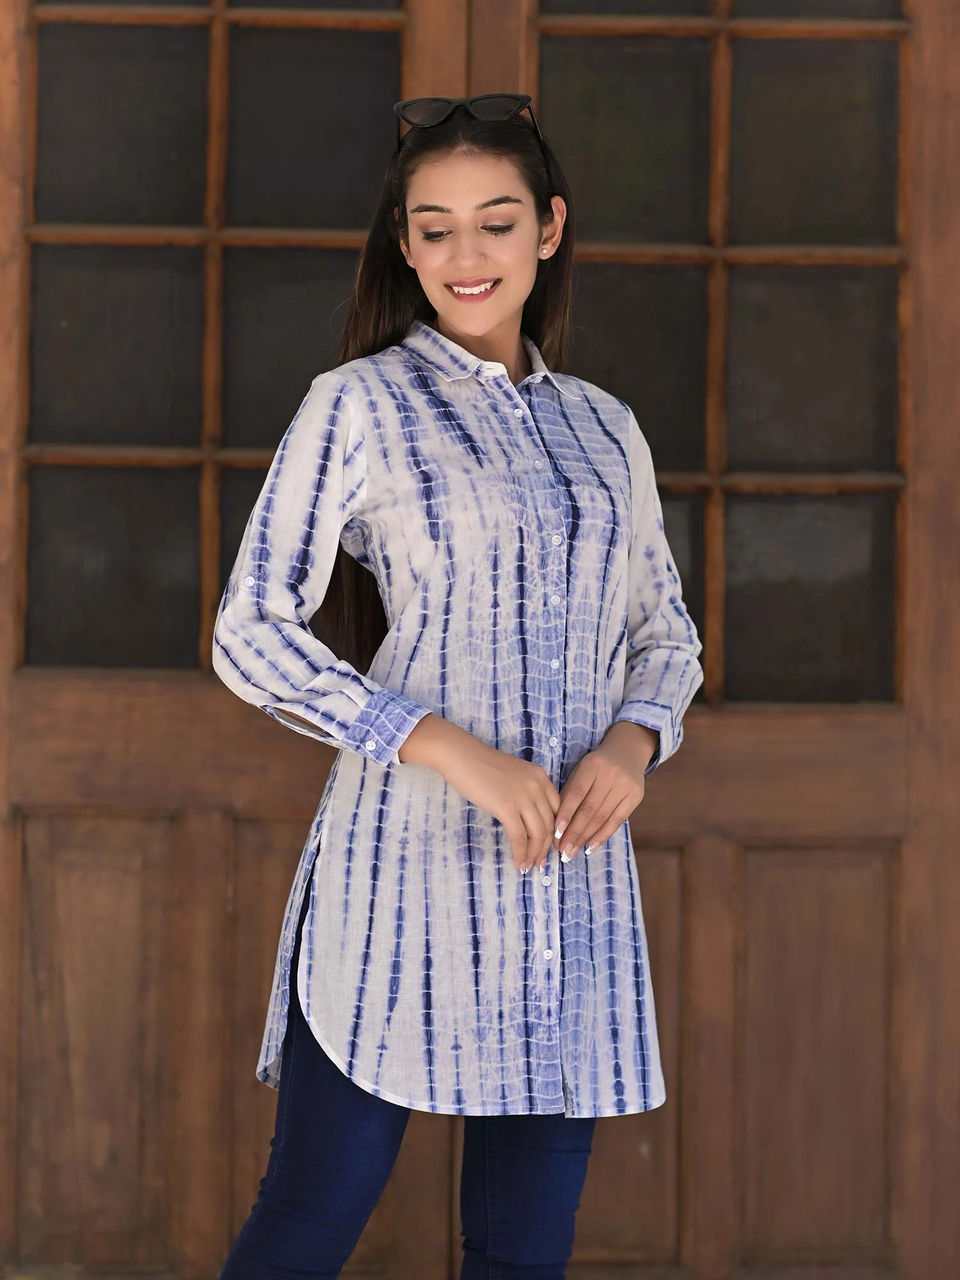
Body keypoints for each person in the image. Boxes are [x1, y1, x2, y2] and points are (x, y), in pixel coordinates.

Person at [212, 93, 704, 1280]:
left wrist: (634, 742)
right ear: (403, 242)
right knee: (308, 1222)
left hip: (568, 885)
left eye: (496, 222)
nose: (465, 255)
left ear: (550, 228)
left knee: (524, 1252)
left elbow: (665, 633)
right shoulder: (358, 405)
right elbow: (249, 629)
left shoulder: (606, 430)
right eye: (434, 229)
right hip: (401, 872)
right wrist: (443, 744)